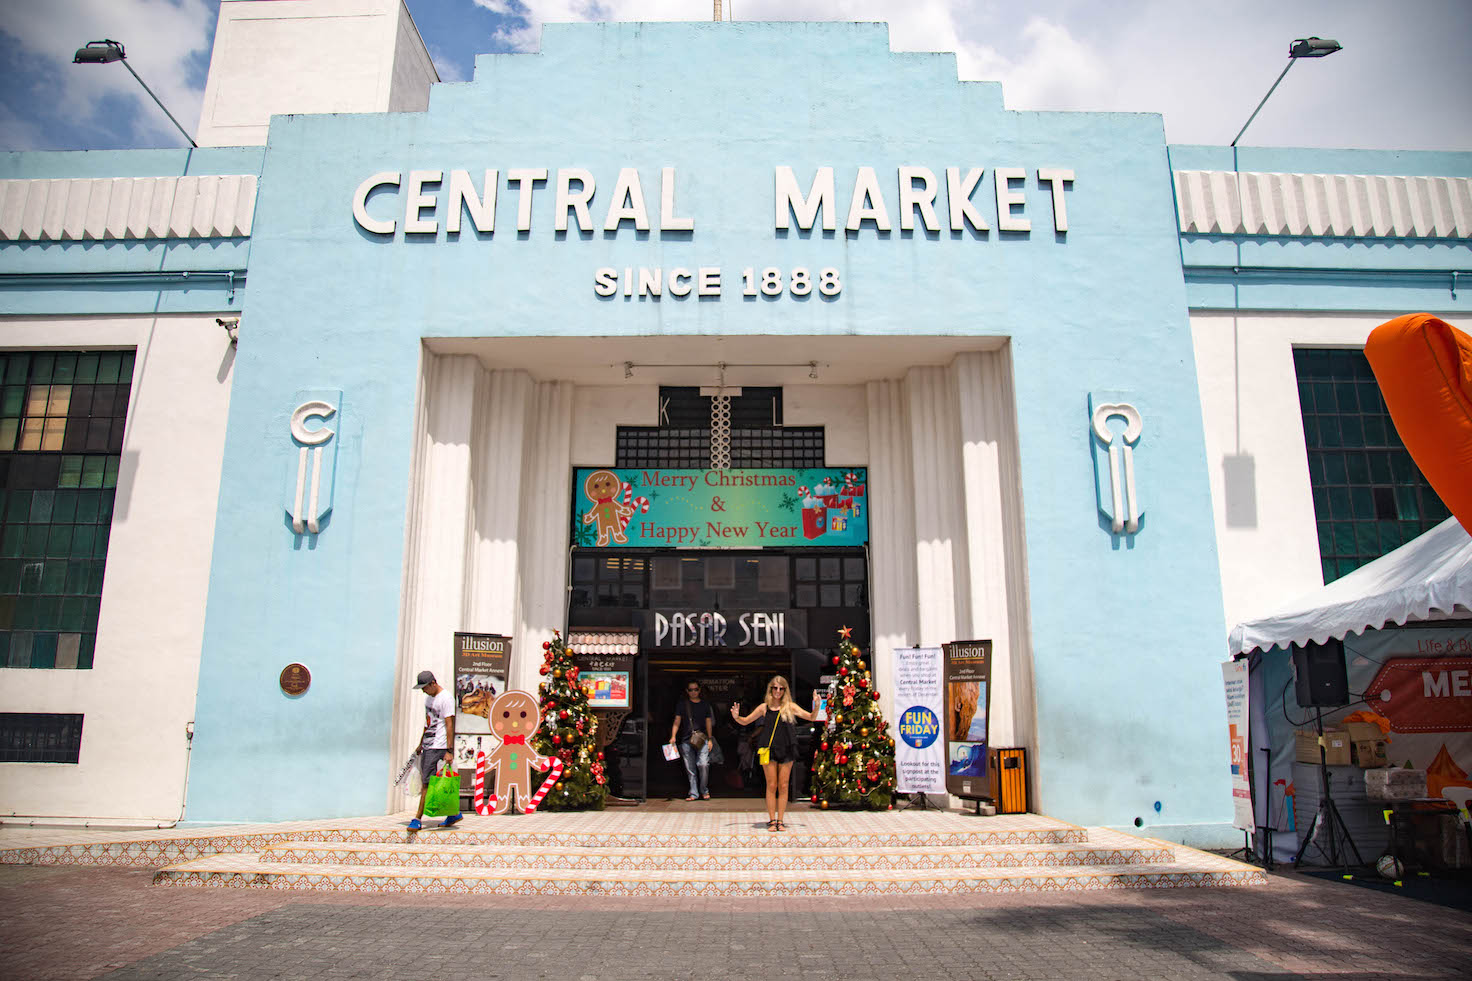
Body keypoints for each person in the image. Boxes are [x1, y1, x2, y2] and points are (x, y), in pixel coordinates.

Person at [731, 675, 815, 831]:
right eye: (775, 688)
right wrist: (736, 717)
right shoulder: (764, 707)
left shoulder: (790, 707)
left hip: (787, 748)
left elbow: (811, 717)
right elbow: (746, 721)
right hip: (768, 749)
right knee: (771, 785)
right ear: (770, 689)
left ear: (785, 690)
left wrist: (816, 706)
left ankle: (780, 821)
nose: (777, 691)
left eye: (781, 688)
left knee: (783, 786)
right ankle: (771, 820)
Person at [408, 669, 462, 830]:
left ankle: (417, 819)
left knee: (427, 783)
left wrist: (449, 750)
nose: (423, 690)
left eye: (425, 687)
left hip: (439, 746)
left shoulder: (446, 699)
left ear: (433, 683)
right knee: (436, 782)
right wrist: (420, 743)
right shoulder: (428, 700)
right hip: (428, 745)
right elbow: (427, 723)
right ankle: (453, 814)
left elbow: (449, 724)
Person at [668, 680, 716, 801]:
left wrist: (710, 738)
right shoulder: (682, 704)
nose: (693, 692)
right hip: (686, 739)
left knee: (703, 764)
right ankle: (694, 793)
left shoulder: (705, 705)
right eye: (691, 690)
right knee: (690, 768)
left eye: (696, 689)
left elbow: (708, 722)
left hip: (702, 738)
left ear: (699, 690)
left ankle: (704, 790)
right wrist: (673, 735)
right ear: (687, 691)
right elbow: (677, 721)